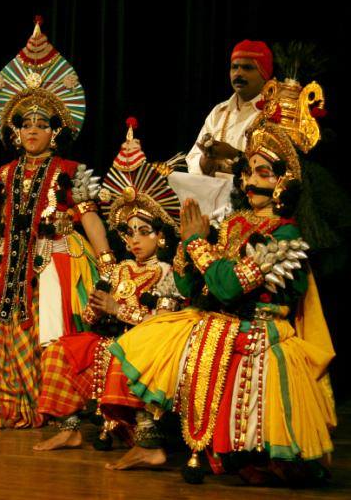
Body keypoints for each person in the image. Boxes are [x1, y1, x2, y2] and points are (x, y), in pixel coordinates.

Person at [109, 85, 335, 485]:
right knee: (161, 336)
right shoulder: (233, 224)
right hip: (222, 324)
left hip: (261, 334)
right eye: (247, 170)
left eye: (263, 172)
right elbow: (199, 287)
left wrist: (197, 244)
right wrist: (185, 245)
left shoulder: (286, 237)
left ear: (284, 182)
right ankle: (164, 442)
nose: (249, 181)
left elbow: (230, 286)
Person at [0, 18, 114, 429]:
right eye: (25, 124)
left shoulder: (69, 170)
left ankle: (48, 404)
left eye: (41, 124)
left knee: (49, 329)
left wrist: (106, 263)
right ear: (15, 133)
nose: (32, 130)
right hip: (6, 263)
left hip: (54, 261)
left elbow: (88, 216)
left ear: (56, 131)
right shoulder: (5, 172)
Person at [32, 118, 184, 452]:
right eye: (129, 232)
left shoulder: (166, 272)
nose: (135, 240)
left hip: (145, 348)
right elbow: (94, 317)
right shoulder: (120, 268)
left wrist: (119, 309)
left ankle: (147, 443)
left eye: (144, 232)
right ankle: (69, 427)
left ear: (161, 237)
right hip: (111, 339)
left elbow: (163, 326)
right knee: (60, 349)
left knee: (121, 353)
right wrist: (96, 309)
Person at [185, 40, 272, 176]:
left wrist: (233, 154)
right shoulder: (219, 111)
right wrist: (205, 162)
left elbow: (272, 170)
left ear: (264, 74)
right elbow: (192, 157)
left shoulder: (273, 113)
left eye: (247, 68)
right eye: (234, 67)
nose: (238, 73)